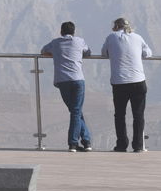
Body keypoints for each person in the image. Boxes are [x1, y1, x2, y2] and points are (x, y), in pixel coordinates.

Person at [101, 17, 152, 153]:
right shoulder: (138, 37)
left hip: (119, 83)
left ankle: (121, 145)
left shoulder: (111, 37)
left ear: (115, 27)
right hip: (138, 81)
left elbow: (104, 53)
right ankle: (138, 146)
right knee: (138, 115)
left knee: (119, 115)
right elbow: (147, 53)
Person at [40, 21, 93, 152]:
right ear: (74, 32)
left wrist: (57, 55)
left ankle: (84, 142)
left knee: (75, 111)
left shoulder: (55, 43)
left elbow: (43, 51)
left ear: (61, 31)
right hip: (77, 79)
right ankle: (77, 143)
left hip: (62, 81)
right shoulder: (79, 41)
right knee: (76, 111)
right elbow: (88, 53)